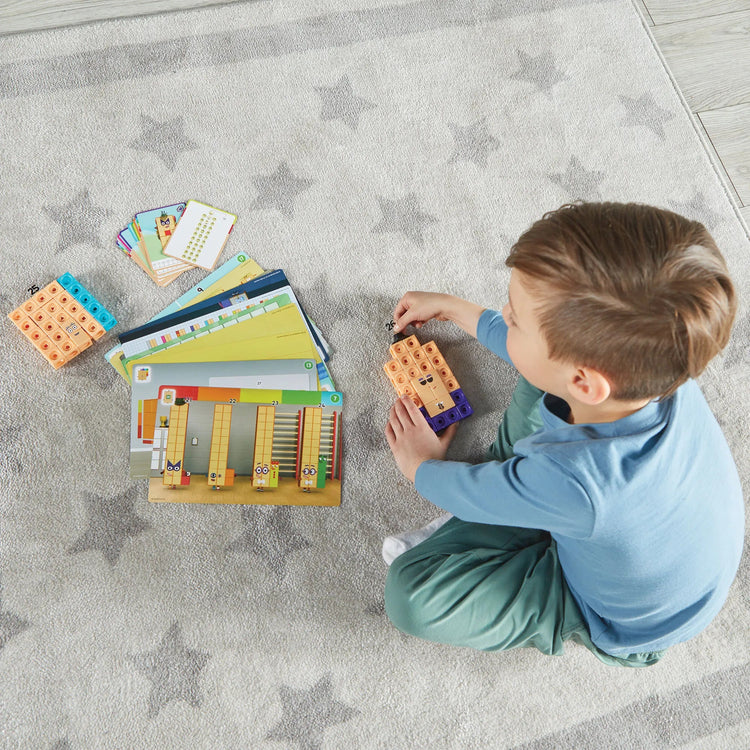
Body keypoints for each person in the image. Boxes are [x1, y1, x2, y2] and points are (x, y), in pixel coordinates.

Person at [382, 201, 744, 667]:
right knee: (540, 374)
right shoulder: (660, 370)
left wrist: (420, 467)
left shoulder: (580, 482)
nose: (505, 313)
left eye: (514, 319)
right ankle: (524, 512)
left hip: (616, 618)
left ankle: (526, 541)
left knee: (410, 595)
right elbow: (542, 361)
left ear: (585, 384)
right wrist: (458, 310)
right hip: (648, 543)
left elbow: (556, 484)